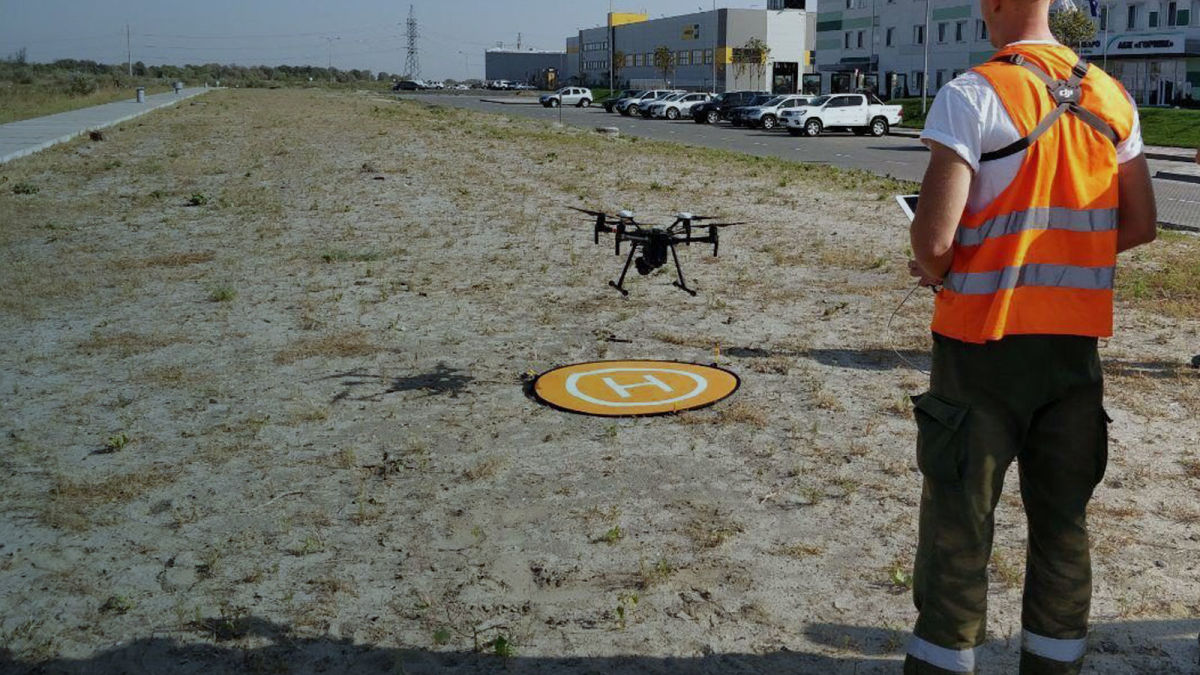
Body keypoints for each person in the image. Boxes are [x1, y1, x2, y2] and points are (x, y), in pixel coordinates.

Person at [903, 0, 1158, 670]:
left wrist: (941, 266)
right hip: (1074, 352)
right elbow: (1139, 223)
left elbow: (933, 242)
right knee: (1063, 526)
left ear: (996, 4)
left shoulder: (973, 93)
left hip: (978, 352)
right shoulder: (1112, 97)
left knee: (960, 528)